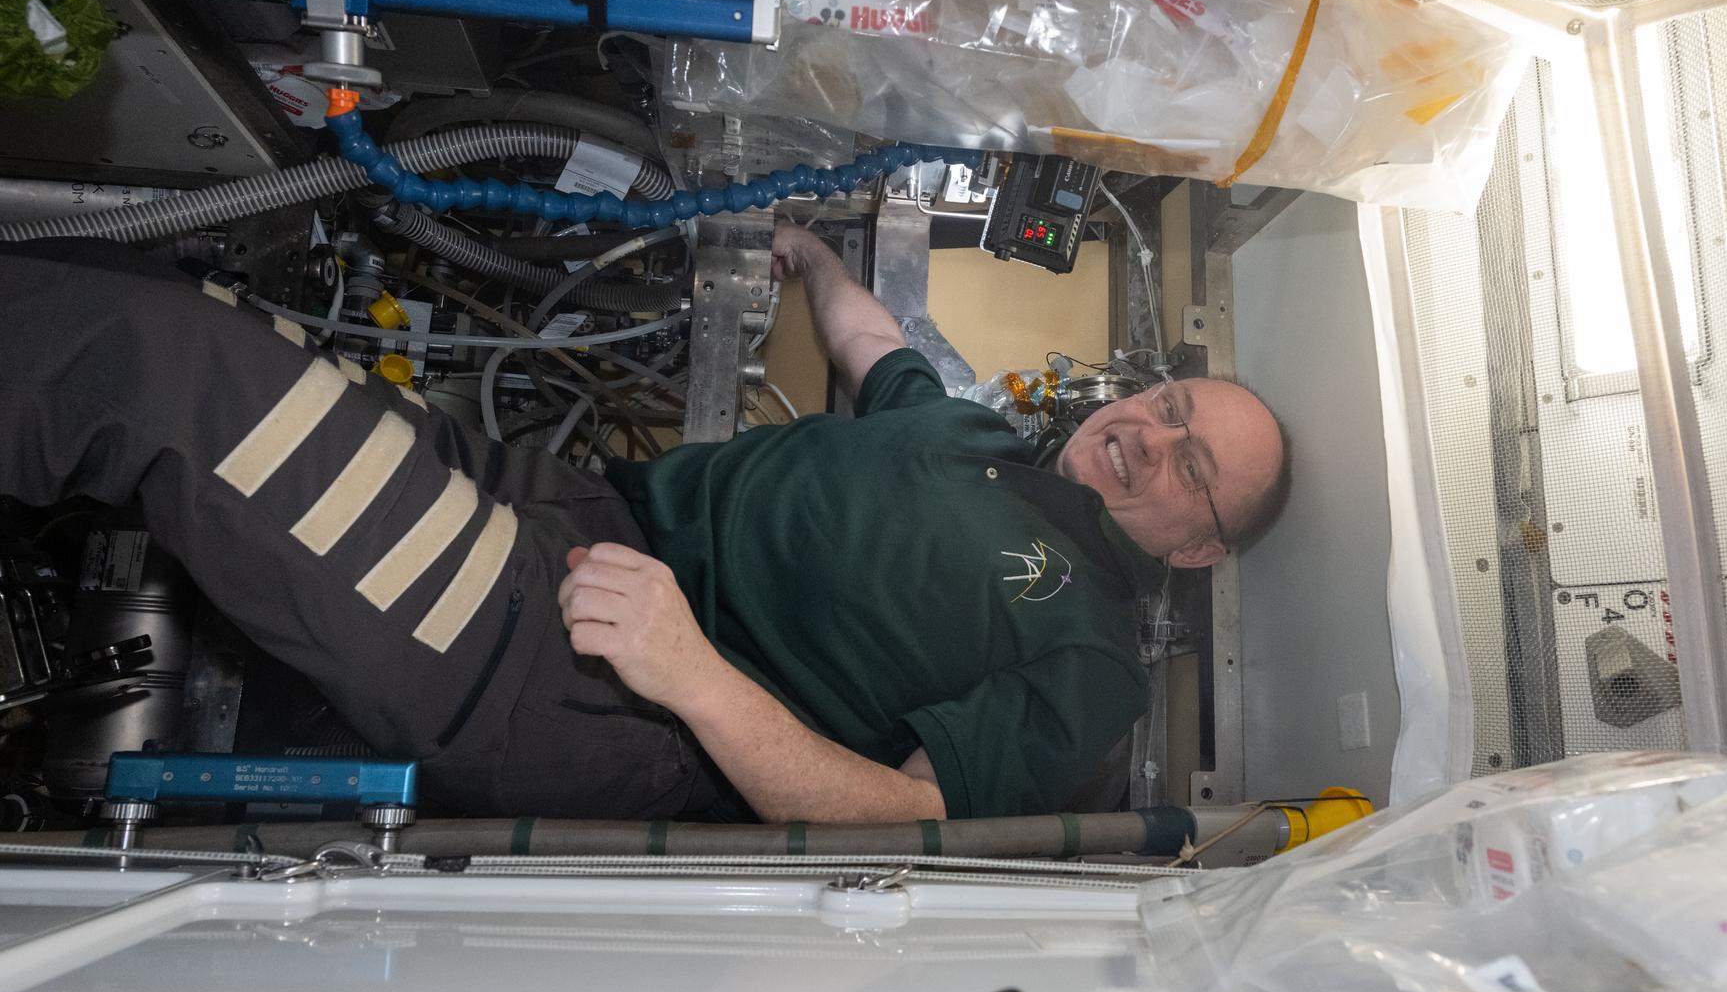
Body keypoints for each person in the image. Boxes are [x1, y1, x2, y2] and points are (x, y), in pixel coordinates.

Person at [0, 224, 1286, 823]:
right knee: (195, 306)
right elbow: (875, 351)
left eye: (1192, 463)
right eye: (1169, 403)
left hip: (598, 682)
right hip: (567, 514)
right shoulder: (979, 439)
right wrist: (822, 261)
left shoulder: (1094, 663)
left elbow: (908, 814)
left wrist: (694, 675)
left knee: (161, 375)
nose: (1148, 433)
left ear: (1198, 545)